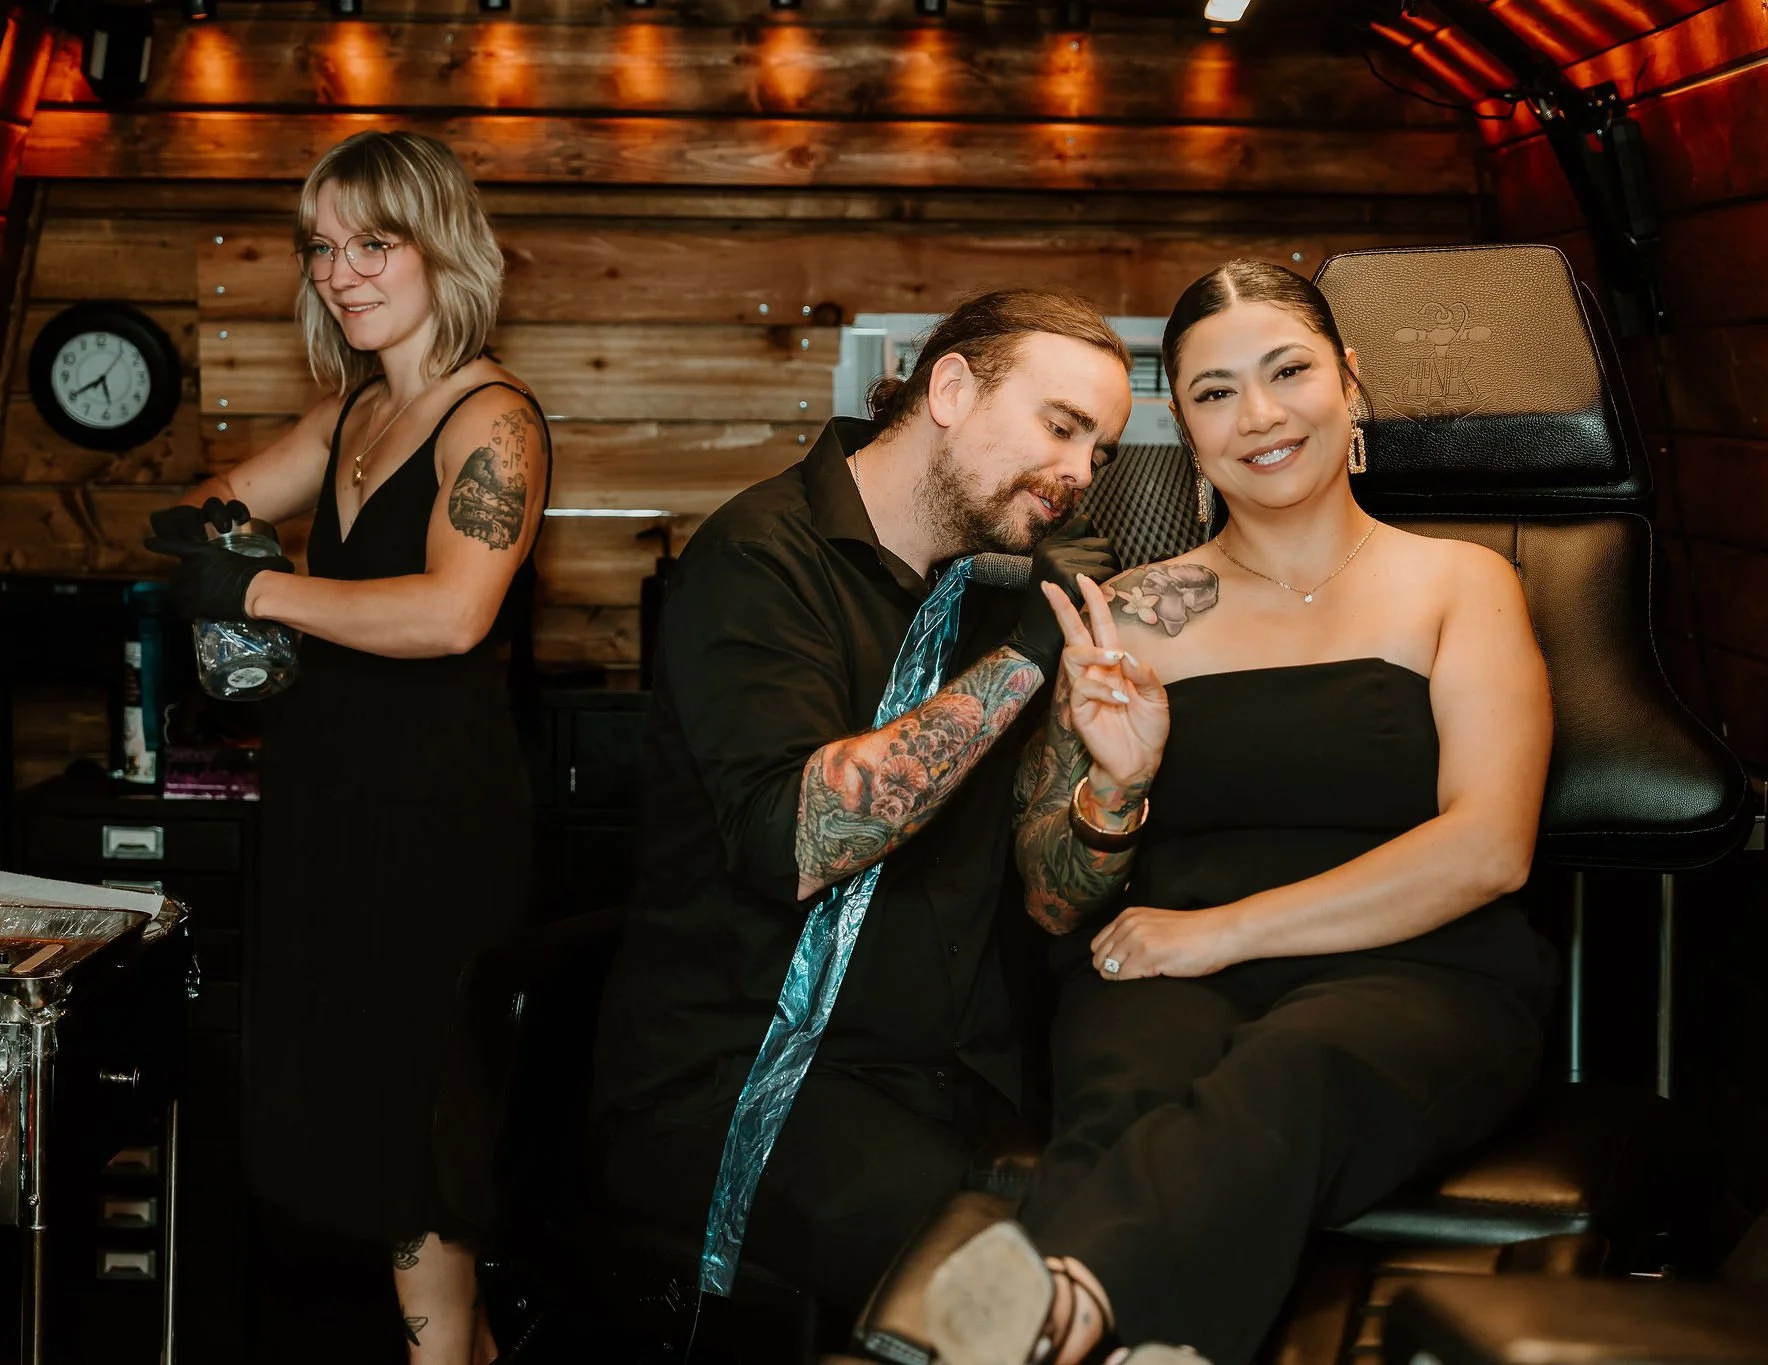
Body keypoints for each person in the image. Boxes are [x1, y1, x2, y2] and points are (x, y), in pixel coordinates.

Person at [925, 261, 1558, 1365]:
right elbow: (1045, 896)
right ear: (1183, 425)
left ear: (1348, 384)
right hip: (1163, 965)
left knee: (1290, 1068)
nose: (1257, 417)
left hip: (1419, 967)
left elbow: (1488, 850)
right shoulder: (1128, 612)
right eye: (1214, 392)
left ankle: (1060, 1304)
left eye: (1287, 372)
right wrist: (1115, 786)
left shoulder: (1463, 583)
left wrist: (1221, 931)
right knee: (1123, 1089)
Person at [587, 290, 1134, 1319]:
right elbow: (795, 839)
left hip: (952, 1087)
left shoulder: (989, 593)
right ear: (950, 386)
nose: (1077, 473)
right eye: (1061, 427)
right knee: (1007, 1309)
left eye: (1098, 452)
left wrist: (1116, 781)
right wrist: (1024, 662)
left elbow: (1055, 898)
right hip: (752, 1083)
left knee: (1138, 1257)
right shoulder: (760, 558)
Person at [145, 130, 549, 1365]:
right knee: (371, 1146)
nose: (341, 272)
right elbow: (214, 500)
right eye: (322, 247)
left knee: (424, 1151)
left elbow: (450, 611)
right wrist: (218, 538)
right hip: (330, 805)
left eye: (374, 243)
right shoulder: (357, 409)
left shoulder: (497, 423)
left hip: (436, 823)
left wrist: (259, 594)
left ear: (441, 248)